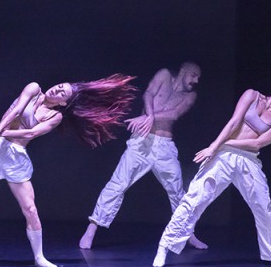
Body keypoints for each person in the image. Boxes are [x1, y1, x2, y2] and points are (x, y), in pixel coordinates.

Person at [0, 75, 137, 267]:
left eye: (62, 93)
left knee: (30, 209)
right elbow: (17, 110)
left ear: (64, 103)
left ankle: (39, 257)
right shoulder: (34, 88)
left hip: (16, 156)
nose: (57, 89)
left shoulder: (54, 117)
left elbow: (29, 133)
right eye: (60, 85)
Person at [152, 79, 271, 267]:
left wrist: (223, 144)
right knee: (196, 197)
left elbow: (257, 143)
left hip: (248, 159)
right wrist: (215, 146)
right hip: (224, 155)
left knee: (263, 206)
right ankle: (165, 246)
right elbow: (234, 121)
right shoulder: (252, 95)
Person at [79, 62, 208, 250]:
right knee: (118, 183)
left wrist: (148, 117)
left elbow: (173, 114)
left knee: (177, 192)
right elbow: (148, 93)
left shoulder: (190, 96)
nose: (195, 81)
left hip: (165, 147)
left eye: (198, 78)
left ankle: (188, 234)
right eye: (194, 75)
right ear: (183, 71)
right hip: (141, 142)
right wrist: (148, 116)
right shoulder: (164, 73)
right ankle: (91, 230)